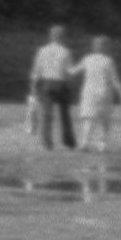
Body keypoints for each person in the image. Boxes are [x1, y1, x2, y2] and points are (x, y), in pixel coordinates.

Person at [69, 33, 121, 197]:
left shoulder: (90, 59)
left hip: (90, 93)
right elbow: (115, 80)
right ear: (105, 47)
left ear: (96, 46)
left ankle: (86, 143)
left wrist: (62, 69)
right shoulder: (107, 61)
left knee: (89, 117)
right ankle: (99, 144)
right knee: (102, 119)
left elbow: (73, 71)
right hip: (102, 93)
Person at [25, 26, 80, 177]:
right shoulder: (66, 51)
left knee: (47, 115)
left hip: (46, 84)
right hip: (61, 84)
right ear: (62, 37)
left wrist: (33, 87)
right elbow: (69, 72)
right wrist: (73, 82)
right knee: (65, 115)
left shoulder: (42, 50)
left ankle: (47, 143)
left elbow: (36, 70)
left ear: (50, 36)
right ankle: (69, 142)